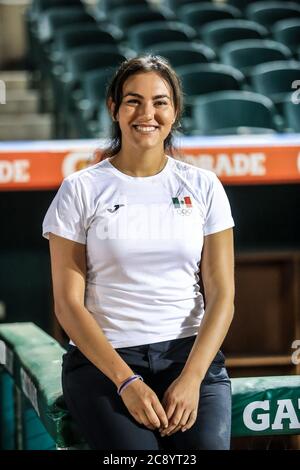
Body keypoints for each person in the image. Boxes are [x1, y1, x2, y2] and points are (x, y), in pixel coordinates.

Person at [42, 55, 235, 450]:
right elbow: (67, 305)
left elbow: (222, 296)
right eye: (133, 100)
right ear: (113, 108)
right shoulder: (80, 189)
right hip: (105, 363)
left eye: (160, 102)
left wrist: (193, 378)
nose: (146, 113)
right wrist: (126, 382)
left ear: (175, 111)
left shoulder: (204, 186)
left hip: (190, 356)